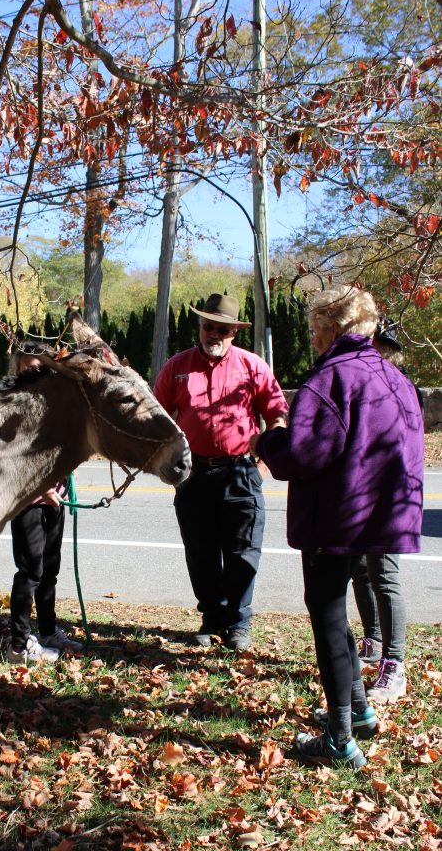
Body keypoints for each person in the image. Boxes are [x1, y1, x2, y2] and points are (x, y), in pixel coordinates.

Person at [251, 285, 424, 769]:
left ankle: (340, 739)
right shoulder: (394, 377)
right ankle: (360, 711)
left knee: (327, 616)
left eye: (313, 328)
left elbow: (303, 456)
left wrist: (269, 441)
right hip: (378, 515)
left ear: (332, 329)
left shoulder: (330, 379)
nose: (311, 337)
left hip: (336, 518)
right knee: (335, 614)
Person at [154, 293, 288, 651]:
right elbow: (158, 419)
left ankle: (239, 624)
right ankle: (212, 618)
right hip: (194, 476)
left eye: (222, 330)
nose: (213, 334)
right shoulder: (176, 367)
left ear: (233, 333)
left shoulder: (252, 366)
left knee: (244, 551)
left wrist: (263, 460)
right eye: (208, 327)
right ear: (200, 327)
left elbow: (276, 413)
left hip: (240, 473)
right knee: (201, 552)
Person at [351, 323, 423, 703]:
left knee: (385, 572)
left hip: (389, 493)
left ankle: (395, 664)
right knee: (361, 570)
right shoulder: (363, 380)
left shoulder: (400, 387)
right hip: (360, 492)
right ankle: (374, 640)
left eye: (378, 345)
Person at [6, 348, 83, 665]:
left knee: (50, 569)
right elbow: (13, 458)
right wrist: (43, 487)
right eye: (26, 370)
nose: (32, 375)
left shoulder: (54, 404)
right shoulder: (14, 406)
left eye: (38, 369)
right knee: (30, 572)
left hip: (56, 498)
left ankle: (49, 630)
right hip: (28, 502)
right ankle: (18, 645)